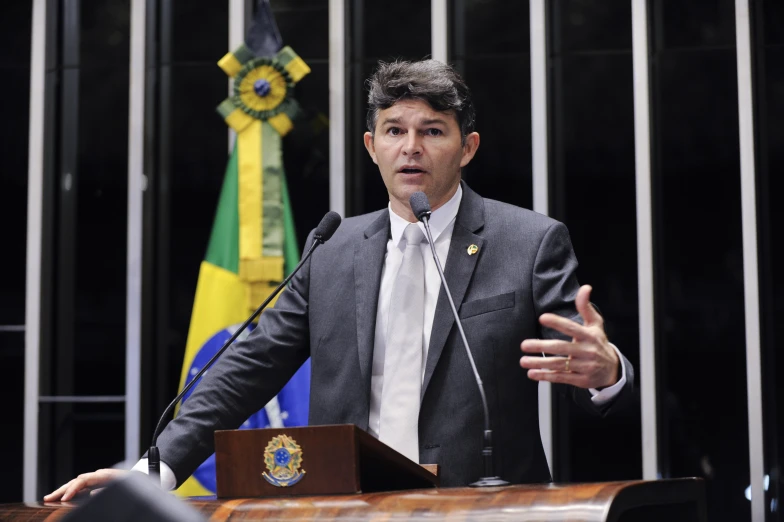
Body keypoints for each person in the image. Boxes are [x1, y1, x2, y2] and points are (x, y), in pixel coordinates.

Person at [46, 59, 633, 501]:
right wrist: (153, 473)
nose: (412, 147)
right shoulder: (332, 248)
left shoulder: (528, 242)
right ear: (370, 146)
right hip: (350, 506)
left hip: (484, 506)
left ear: (467, 147)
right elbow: (243, 371)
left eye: (433, 130)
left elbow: (583, 361)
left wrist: (606, 374)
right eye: (395, 130)